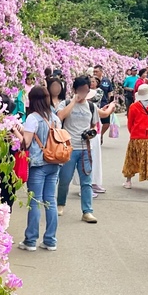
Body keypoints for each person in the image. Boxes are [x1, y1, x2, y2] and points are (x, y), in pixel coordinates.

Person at [17, 86, 61, 252]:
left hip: (38, 164)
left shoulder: (32, 118)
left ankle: (31, 240)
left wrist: (16, 131)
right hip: (54, 162)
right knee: (50, 200)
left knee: (34, 201)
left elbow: (25, 143)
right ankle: (50, 240)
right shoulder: (55, 118)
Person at [56, 76, 101, 223]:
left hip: (85, 148)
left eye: (86, 91)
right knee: (65, 179)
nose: (83, 94)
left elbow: (94, 125)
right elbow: (60, 117)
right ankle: (60, 204)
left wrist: (91, 132)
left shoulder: (92, 107)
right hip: (69, 147)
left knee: (86, 181)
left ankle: (87, 211)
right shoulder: (66, 103)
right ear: (74, 90)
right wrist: (74, 100)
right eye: (81, 90)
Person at [122, 84, 148, 192]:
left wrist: (133, 132)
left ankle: (128, 181)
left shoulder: (133, 107)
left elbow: (130, 123)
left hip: (137, 136)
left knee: (132, 159)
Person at [86, 80, 117, 194]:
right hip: (91, 135)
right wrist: (110, 107)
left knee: (95, 160)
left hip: (96, 134)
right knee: (91, 160)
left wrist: (105, 109)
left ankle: (94, 183)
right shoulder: (89, 106)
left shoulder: (92, 106)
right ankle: (87, 186)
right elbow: (104, 114)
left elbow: (101, 113)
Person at [94, 65, 116, 141]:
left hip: (104, 104)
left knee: (106, 123)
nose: (95, 73)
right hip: (95, 105)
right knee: (95, 123)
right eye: (94, 71)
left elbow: (110, 92)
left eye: (96, 71)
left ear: (101, 72)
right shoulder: (92, 80)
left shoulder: (106, 81)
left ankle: (101, 135)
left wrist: (111, 103)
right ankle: (96, 136)